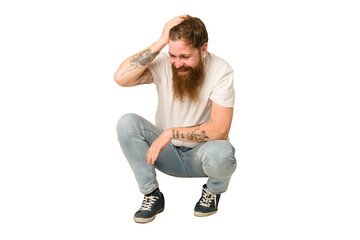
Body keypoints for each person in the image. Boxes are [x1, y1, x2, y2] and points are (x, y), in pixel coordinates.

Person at [114, 15, 237, 223]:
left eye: (185, 57)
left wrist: (170, 132)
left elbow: (220, 129)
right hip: (164, 154)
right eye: (173, 55)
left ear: (203, 49)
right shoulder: (165, 63)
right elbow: (121, 78)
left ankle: (213, 190)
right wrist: (161, 42)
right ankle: (152, 194)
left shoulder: (221, 71)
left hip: (202, 156)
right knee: (127, 123)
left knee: (223, 153)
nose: (177, 63)